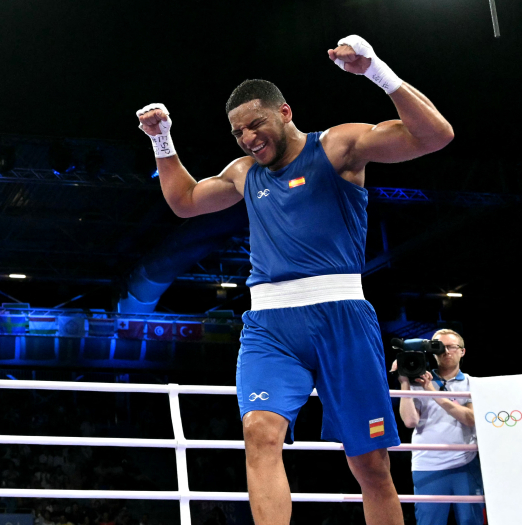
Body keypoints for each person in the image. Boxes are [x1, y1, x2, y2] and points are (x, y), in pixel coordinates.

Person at [136, 35, 453, 525]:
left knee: (370, 465)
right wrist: (162, 138)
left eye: (254, 124)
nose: (246, 138)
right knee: (259, 432)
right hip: (269, 325)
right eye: (238, 132)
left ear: (284, 112)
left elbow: (435, 136)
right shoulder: (244, 173)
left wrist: (377, 72)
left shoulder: (338, 146)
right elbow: (185, 201)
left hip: (341, 317)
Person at [395, 329, 484, 524]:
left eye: (452, 347)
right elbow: (410, 421)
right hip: (427, 465)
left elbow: (470, 418)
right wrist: (404, 382)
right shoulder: (418, 383)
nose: (446, 352)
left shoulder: (473, 383)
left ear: (463, 351)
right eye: (440, 347)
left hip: (465, 463)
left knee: (472, 521)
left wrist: (433, 392)